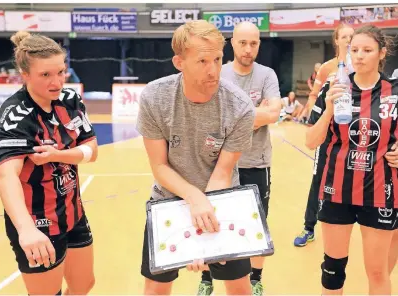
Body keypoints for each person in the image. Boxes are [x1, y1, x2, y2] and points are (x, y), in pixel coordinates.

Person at [136, 20, 255, 295]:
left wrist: (204, 237)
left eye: (217, 59)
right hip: (168, 201)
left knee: (239, 289)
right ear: (179, 62)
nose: (213, 70)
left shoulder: (239, 107)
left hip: (221, 200)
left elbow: (223, 173)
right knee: (155, 289)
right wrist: (193, 197)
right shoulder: (155, 98)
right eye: (202, 61)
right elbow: (159, 166)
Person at [0, 31, 97, 295]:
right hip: (37, 221)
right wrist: (26, 230)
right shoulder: (16, 117)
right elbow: (6, 177)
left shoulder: (70, 100)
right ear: (25, 74)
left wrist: (56, 155)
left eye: (61, 72)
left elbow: (92, 151)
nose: (57, 82)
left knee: (84, 284)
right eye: (46, 75)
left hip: (73, 211)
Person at [306, 24, 398, 295]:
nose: (359, 55)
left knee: (378, 271)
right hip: (337, 189)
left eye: (367, 50)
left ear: (381, 53)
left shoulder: (394, 91)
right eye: (353, 49)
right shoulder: (333, 88)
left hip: (380, 192)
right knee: (332, 271)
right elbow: (311, 141)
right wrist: (329, 111)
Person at [197, 21, 281, 296]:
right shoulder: (218, 73)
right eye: (242, 43)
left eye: (253, 43)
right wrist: (255, 114)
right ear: (232, 43)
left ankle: (255, 277)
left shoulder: (267, 75)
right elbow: (208, 115)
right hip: (218, 164)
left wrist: (233, 118)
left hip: (256, 162)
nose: (248, 49)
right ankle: (207, 279)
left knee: (257, 224)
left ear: (259, 44)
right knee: (213, 221)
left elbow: (273, 113)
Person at [293, 23, 355, 247]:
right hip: (328, 133)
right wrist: (312, 117)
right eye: (345, 36)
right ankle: (309, 227)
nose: (349, 40)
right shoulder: (328, 68)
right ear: (336, 40)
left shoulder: (361, 66)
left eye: (352, 36)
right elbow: (313, 97)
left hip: (354, 136)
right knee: (319, 178)